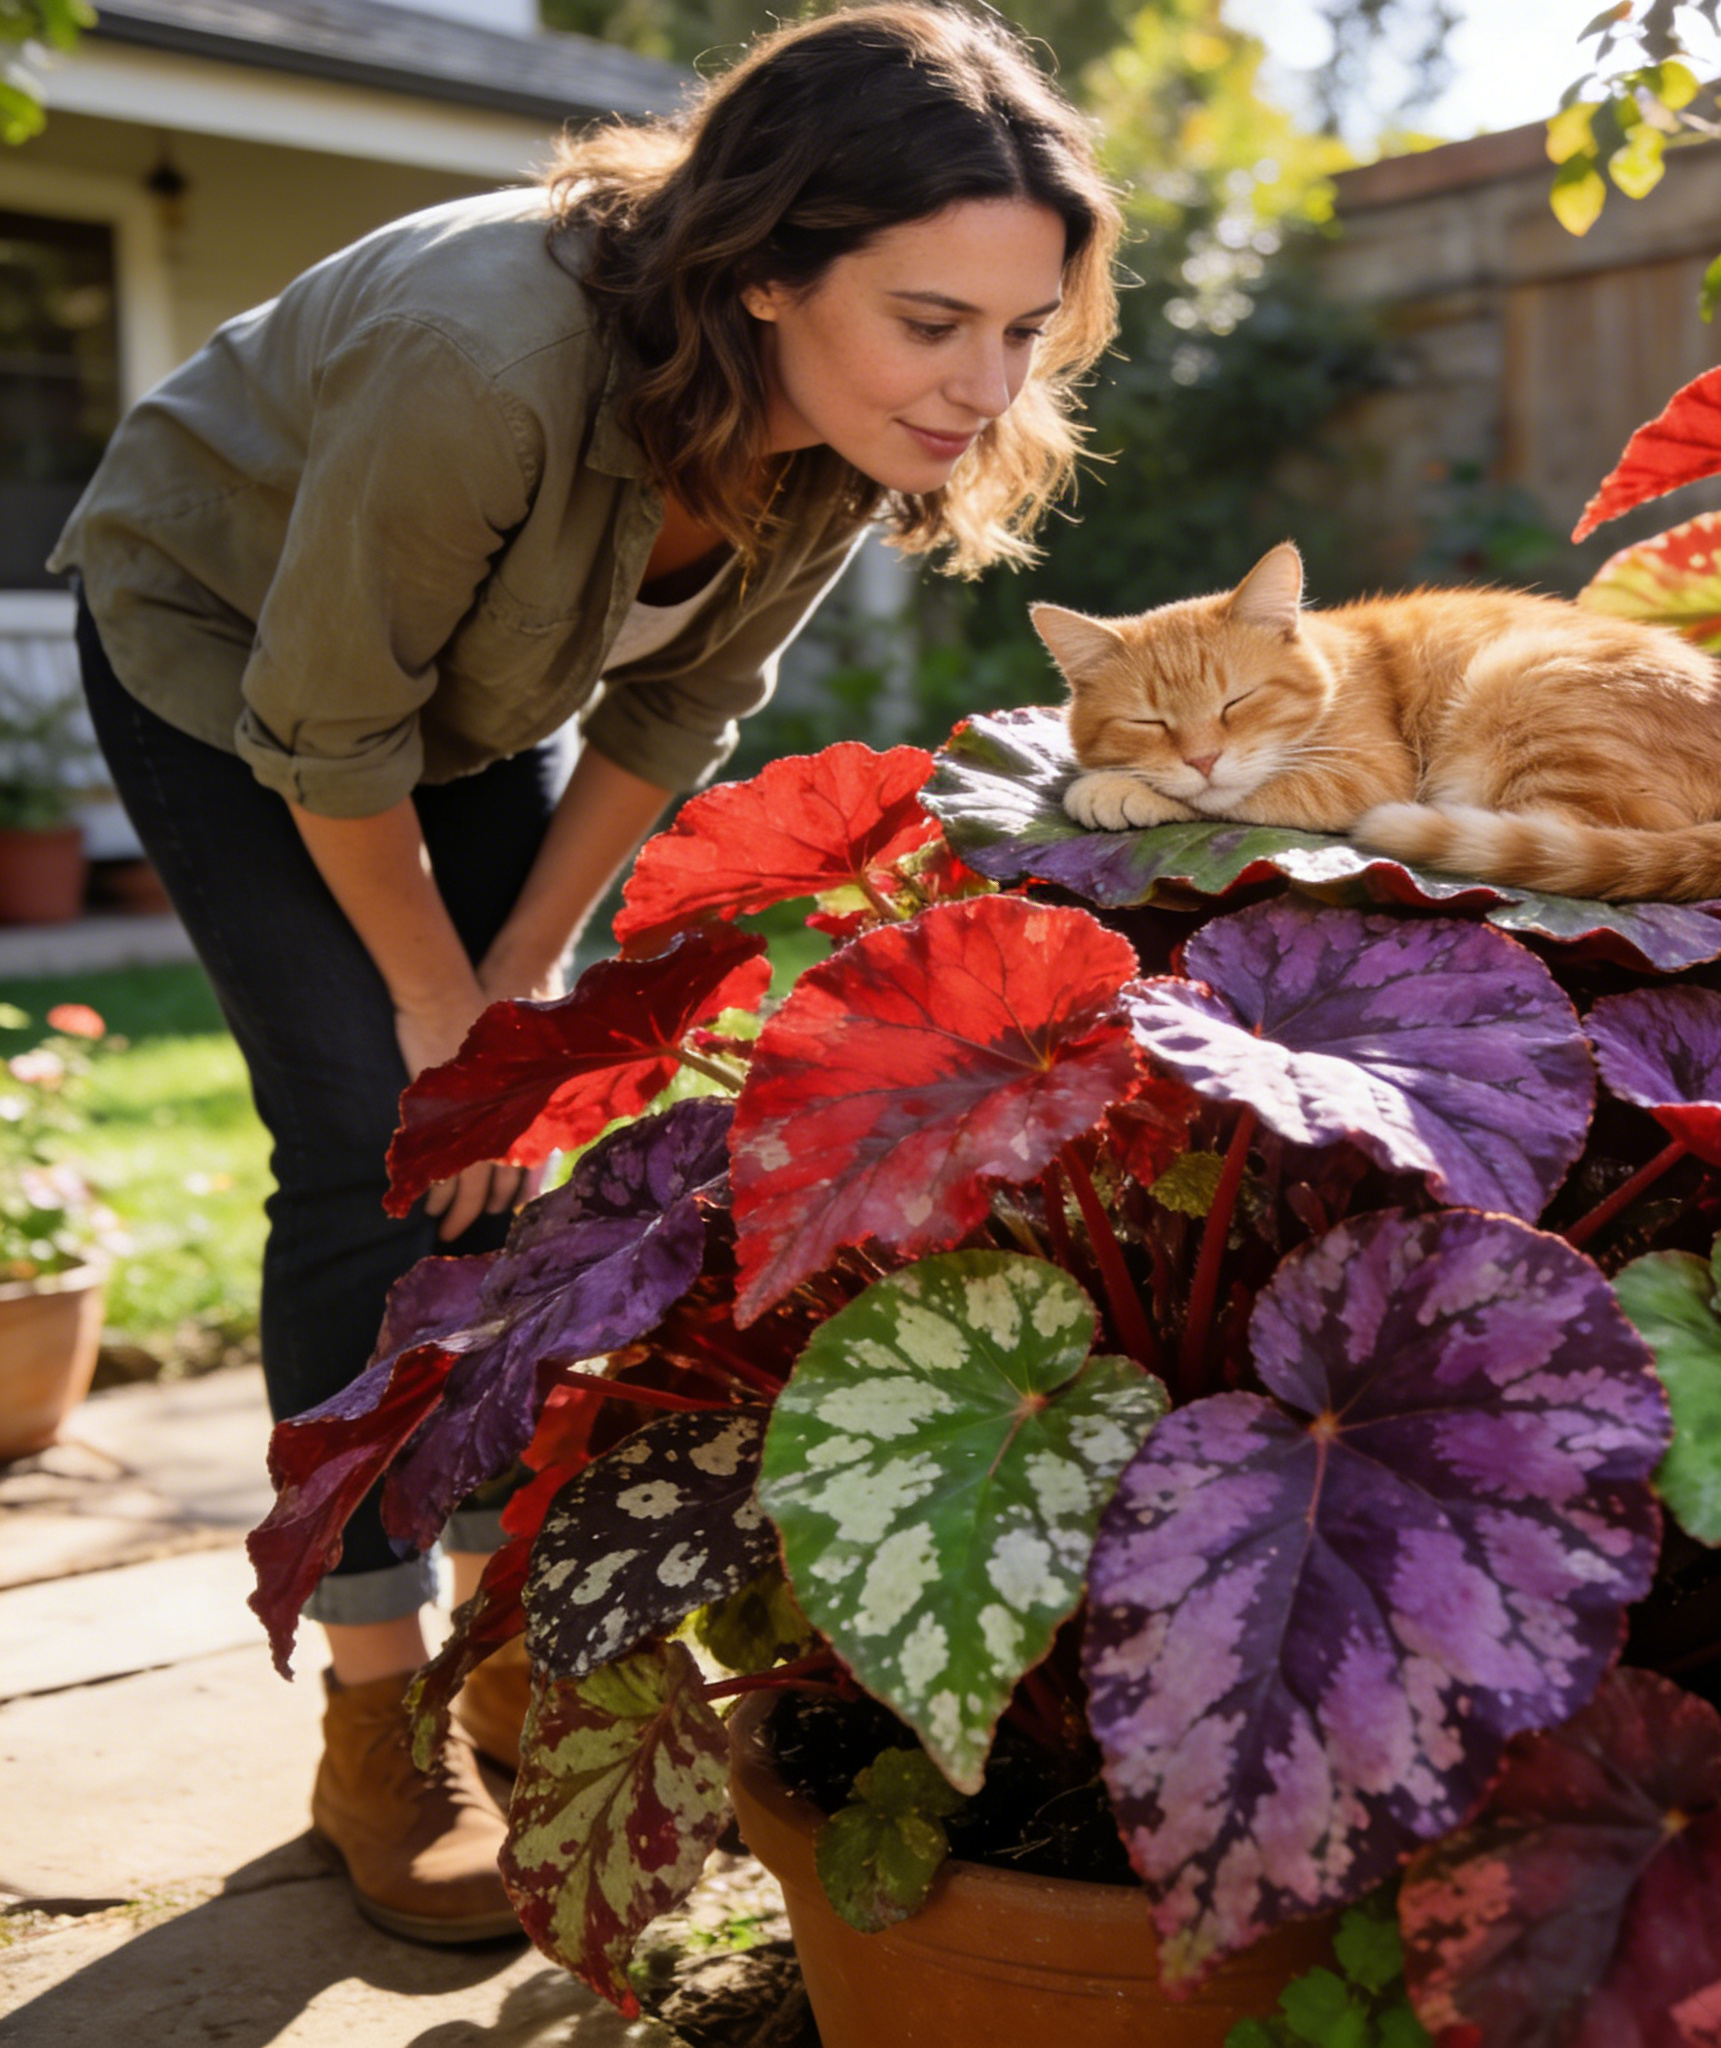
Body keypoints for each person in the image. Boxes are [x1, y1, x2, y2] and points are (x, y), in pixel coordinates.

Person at [55, 0, 1121, 1944]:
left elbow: (682, 704)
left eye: (1021, 328)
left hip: (465, 699)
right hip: (233, 666)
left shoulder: (839, 425)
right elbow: (331, 725)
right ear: (771, 267)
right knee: (382, 1130)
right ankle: (374, 1714)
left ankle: (504, 1646)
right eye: (930, 319)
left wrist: (523, 979)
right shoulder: (487, 360)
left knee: (524, 1125)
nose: (982, 385)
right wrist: (437, 1004)